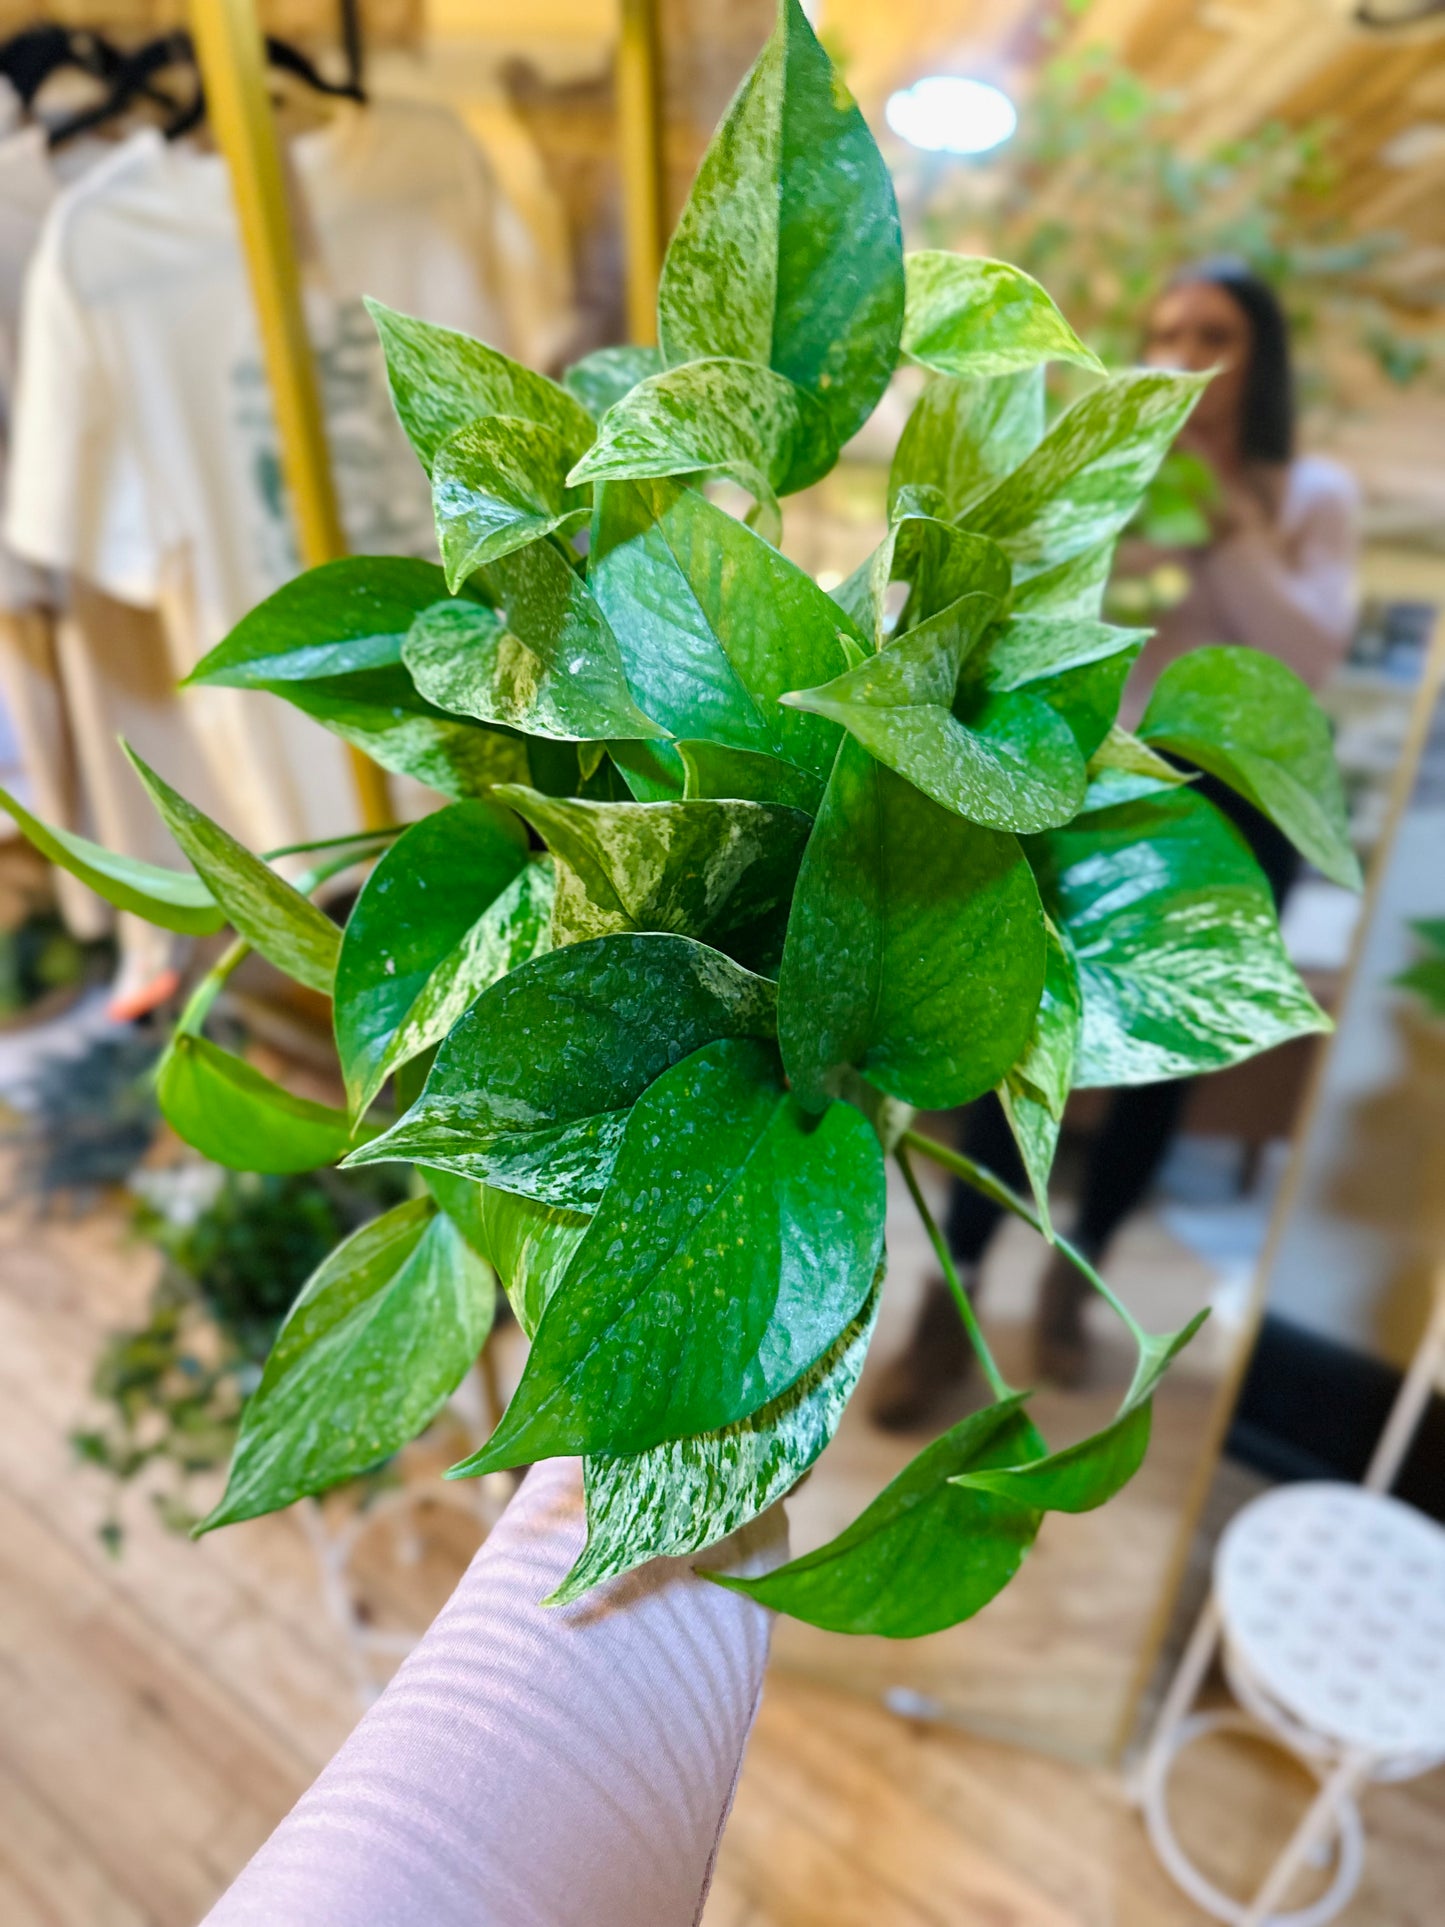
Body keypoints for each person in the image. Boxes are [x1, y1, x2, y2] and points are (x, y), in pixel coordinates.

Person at [872, 258, 1360, 1431]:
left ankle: (1070, 1275)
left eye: (1215, 331)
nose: (1184, 349)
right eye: (1162, 327)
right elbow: (1065, 629)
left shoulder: (1309, 495)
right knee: (1022, 1032)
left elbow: (1305, 660)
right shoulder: (1107, 477)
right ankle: (958, 1288)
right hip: (1106, 783)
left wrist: (1231, 524)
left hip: (1237, 800)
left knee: (1165, 1067)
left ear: (1262, 356)